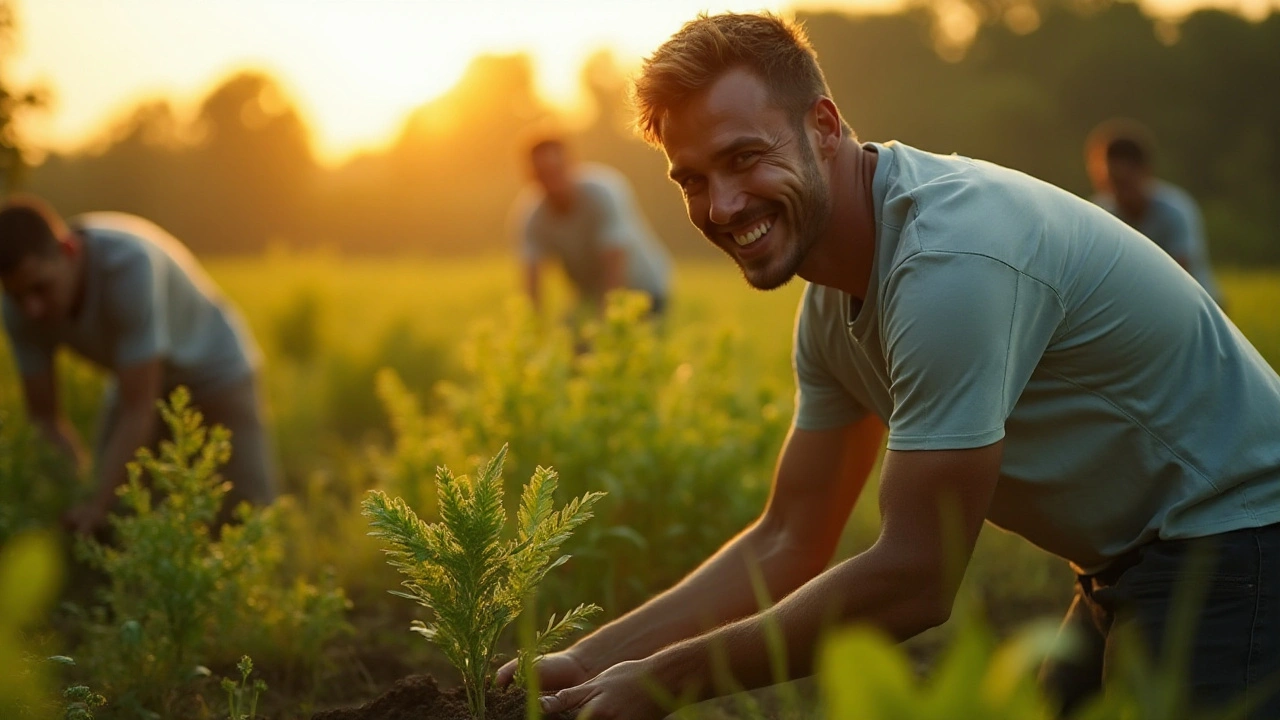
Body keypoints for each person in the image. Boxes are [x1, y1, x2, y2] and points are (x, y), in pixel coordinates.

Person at [495, 12, 1280, 720]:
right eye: (692, 179)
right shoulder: (833, 305)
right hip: (1134, 559)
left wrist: (660, 682)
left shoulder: (947, 263)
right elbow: (790, 538)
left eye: (744, 158)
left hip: (1242, 539)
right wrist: (587, 662)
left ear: (825, 125)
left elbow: (918, 576)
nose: (722, 206)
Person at [0, 196, 277, 535]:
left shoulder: (128, 266)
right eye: (17, 296)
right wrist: (79, 491)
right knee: (117, 513)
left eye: (41, 288)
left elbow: (138, 409)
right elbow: (44, 418)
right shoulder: (18, 309)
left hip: (218, 372)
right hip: (138, 381)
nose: (32, 309)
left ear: (69, 251)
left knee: (246, 516)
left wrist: (95, 506)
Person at [511, 134, 673, 316]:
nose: (552, 182)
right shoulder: (532, 214)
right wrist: (533, 329)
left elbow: (614, 266)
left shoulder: (602, 192)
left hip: (644, 292)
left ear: (573, 165)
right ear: (530, 175)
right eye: (543, 174)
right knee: (571, 336)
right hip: (590, 296)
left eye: (557, 170)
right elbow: (532, 283)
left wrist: (604, 322)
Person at [1085, 119, 1225, 307]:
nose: (1116, 191)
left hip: (1198, 306)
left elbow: (1181, 277)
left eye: (1124, 182)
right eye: (1110, 181)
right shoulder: (1100, 214)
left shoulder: (1174, 210)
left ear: (1144, 172)